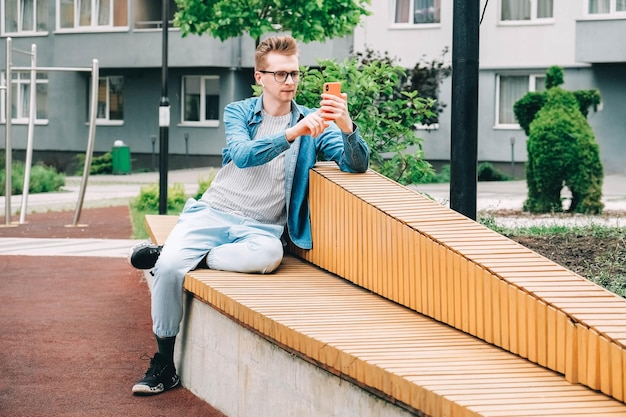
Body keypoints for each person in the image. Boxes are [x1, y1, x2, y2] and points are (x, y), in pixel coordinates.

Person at [128, 35, 369, 396]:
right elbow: (242, 155)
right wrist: (293, 133)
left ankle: (182, 253)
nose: (290, 82)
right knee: (168, 271)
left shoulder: (313, 123)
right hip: (213, 212)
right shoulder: (240, 112)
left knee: (270, 255)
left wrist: (347, 127)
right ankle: (164, 362)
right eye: (281, 75)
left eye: (295, 74)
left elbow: (356, 165)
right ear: (260, 77)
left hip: (261, 227)